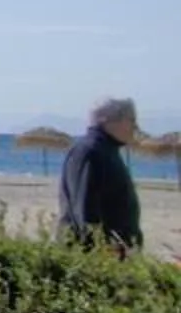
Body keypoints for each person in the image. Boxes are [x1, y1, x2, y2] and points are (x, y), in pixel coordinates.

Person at [60, 98, 146, 259]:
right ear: (109, 121)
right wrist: (100, 251)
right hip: (96, 258)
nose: (135, 127)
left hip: (113, 254)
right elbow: (85, 209)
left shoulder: (105, 150)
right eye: (131, 120)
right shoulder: (90, 151)